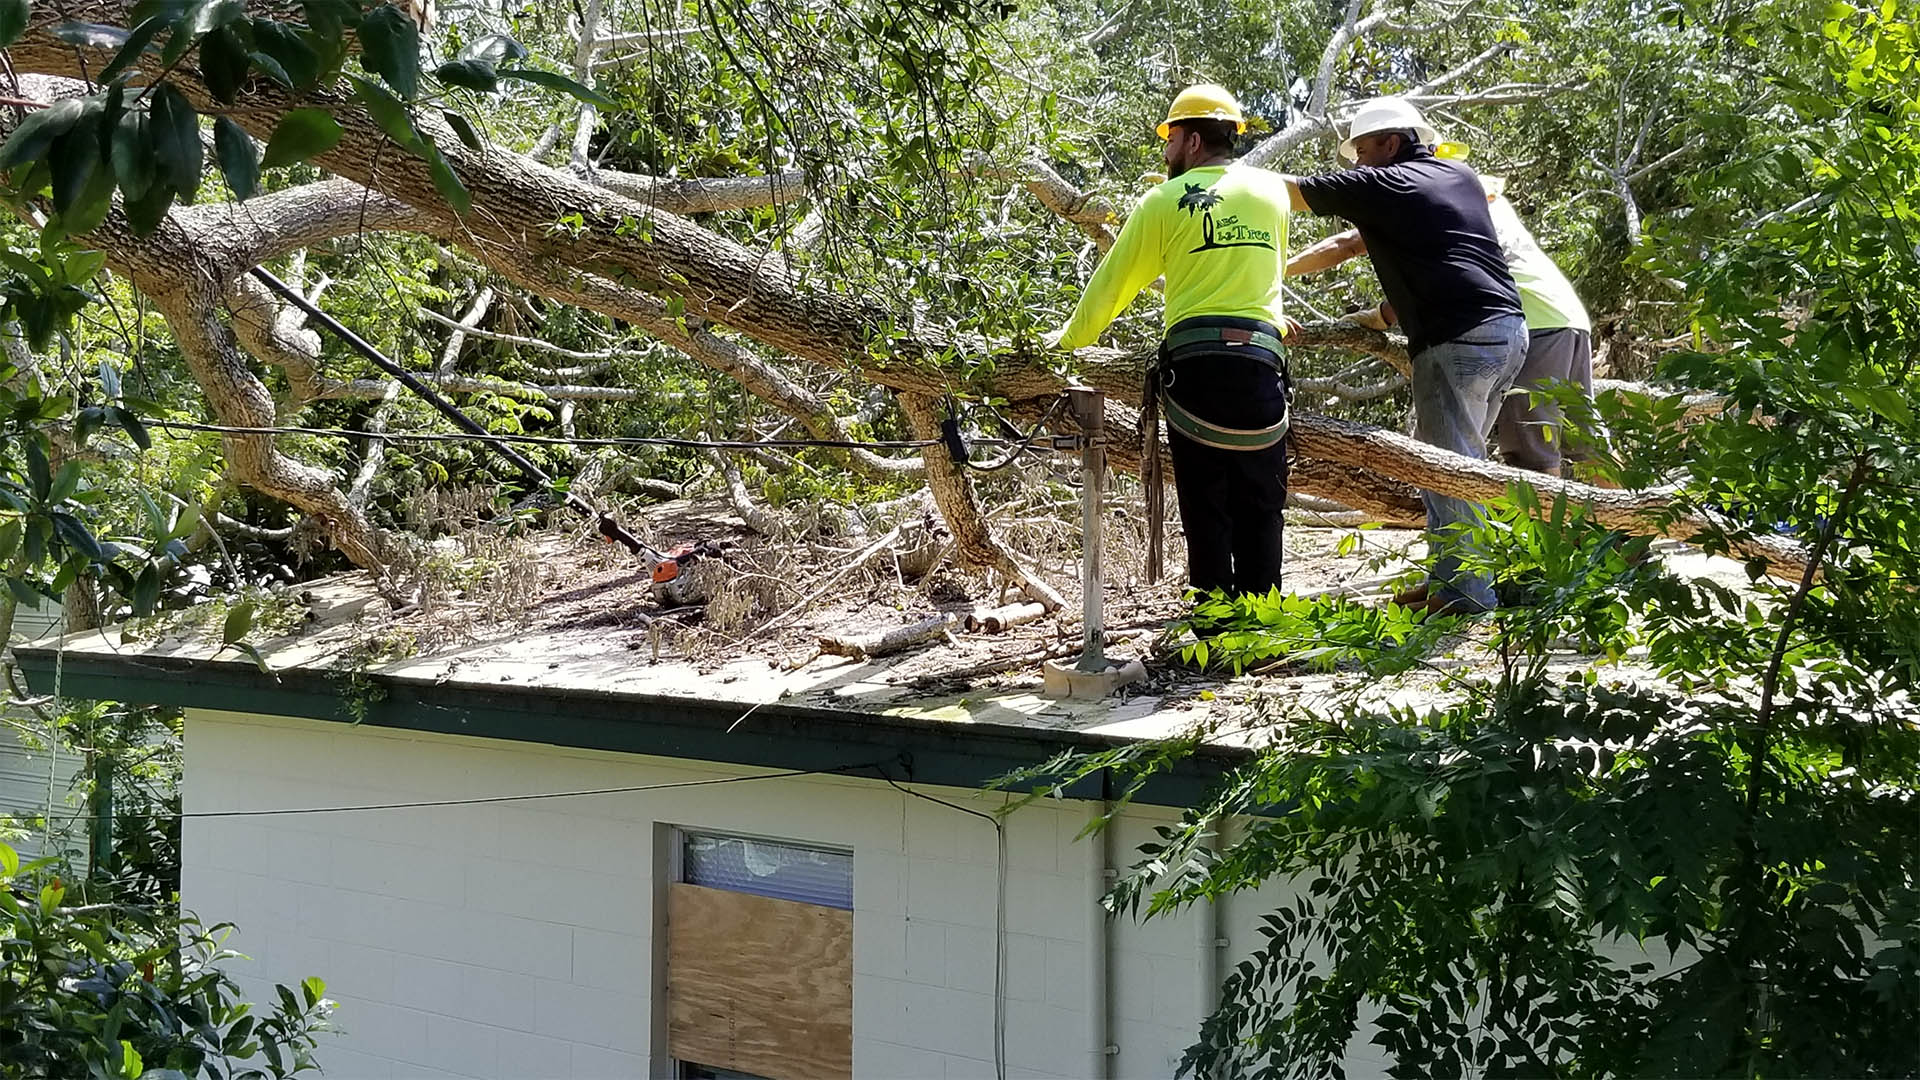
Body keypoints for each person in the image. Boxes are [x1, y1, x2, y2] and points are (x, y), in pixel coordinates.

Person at [1266, 96, 1527, 614]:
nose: (1359, 163)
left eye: (1362, 151)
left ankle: (1466, 599)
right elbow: (1354, 245)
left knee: (1449, 471)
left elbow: (1286, 193)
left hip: (1456, 340)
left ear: (1391, 143)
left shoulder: (1388, 182)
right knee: (1464, 466)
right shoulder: (1459, 177)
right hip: (1508, 332)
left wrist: (1211, 184)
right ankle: (1456, 582)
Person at [1044, 84, 1297, 597]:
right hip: (1260, 365)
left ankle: (1214, 631)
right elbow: (1270, 272)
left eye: (1171, 139)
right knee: (1262, 507)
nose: (1167, 151)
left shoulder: (1162, 200)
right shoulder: (1273, 192)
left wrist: (1066, 343)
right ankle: (1263, 632)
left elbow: (1112, 285)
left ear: (1193, 143)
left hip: (1196, 370)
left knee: (1206, 508)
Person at [1287, 169, 1595, 477]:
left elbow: (1351, 244)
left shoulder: (1438, 204)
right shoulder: (1478, 204)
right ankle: (1632, 520)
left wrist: (1279, 269)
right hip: (1567, 315)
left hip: (1534, 321)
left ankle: (1545, 526)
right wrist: (1383, 314)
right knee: (1587, 442)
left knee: (1531, 451)